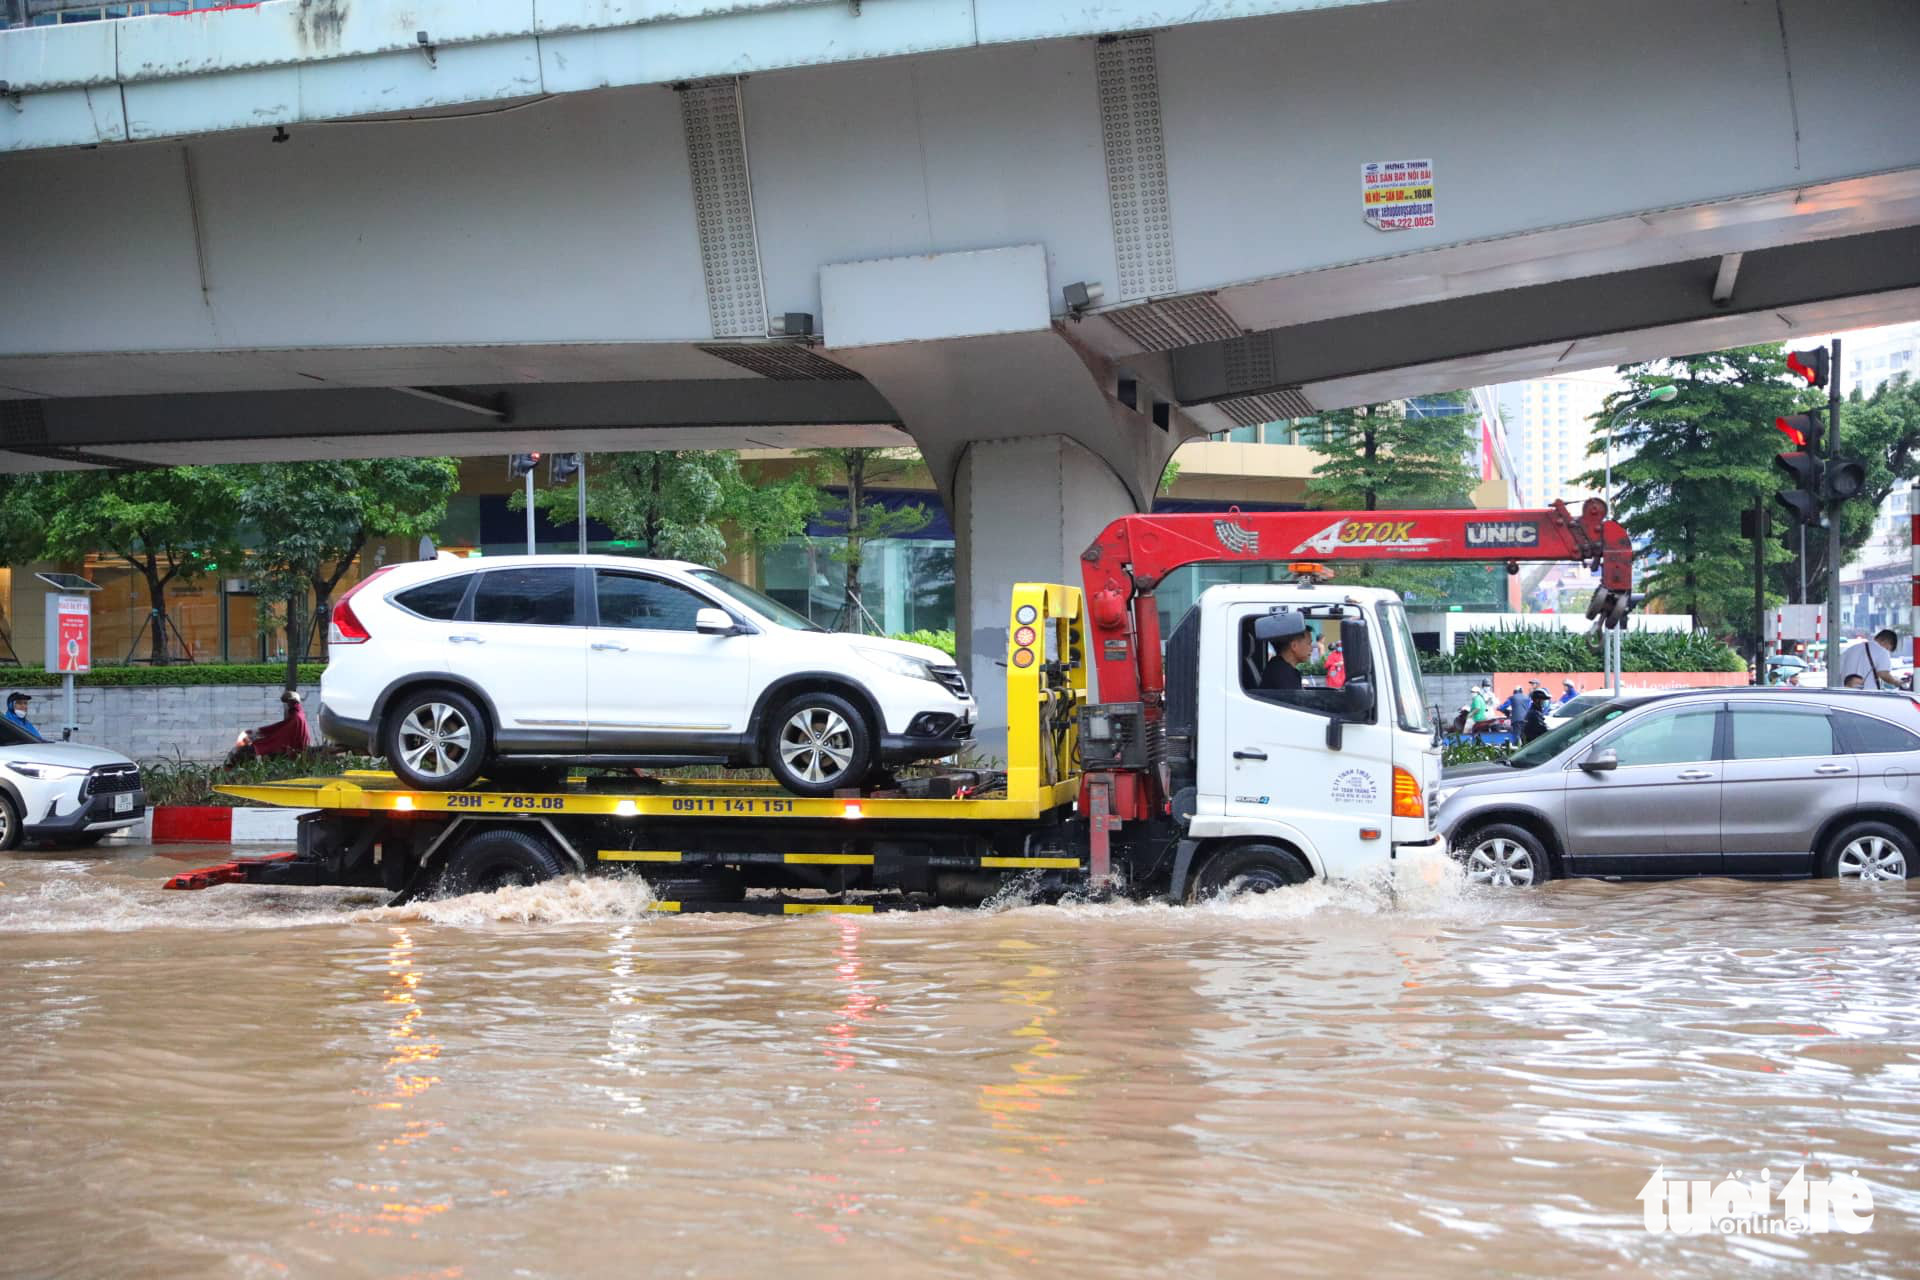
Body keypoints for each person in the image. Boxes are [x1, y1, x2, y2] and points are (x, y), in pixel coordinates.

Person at [1257, 612, 1315, 693]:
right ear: (1294, 646)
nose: (1312, 648)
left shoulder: (1280, 667)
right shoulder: (1282, 673)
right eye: (1309, 643)